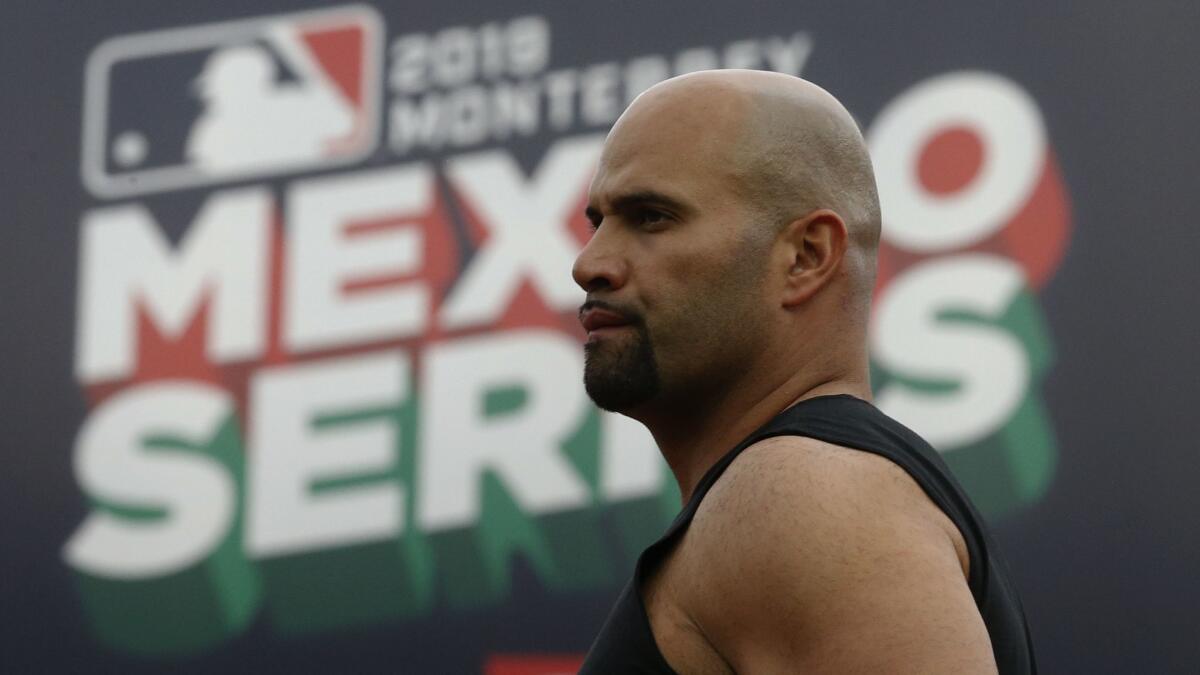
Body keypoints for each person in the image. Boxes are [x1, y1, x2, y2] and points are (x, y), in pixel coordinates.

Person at [573, 70, 1035, 674]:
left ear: (806, 257)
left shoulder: (803, 494)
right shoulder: (801, 493)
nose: (590, 264)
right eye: (597, 222)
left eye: (652, 217)